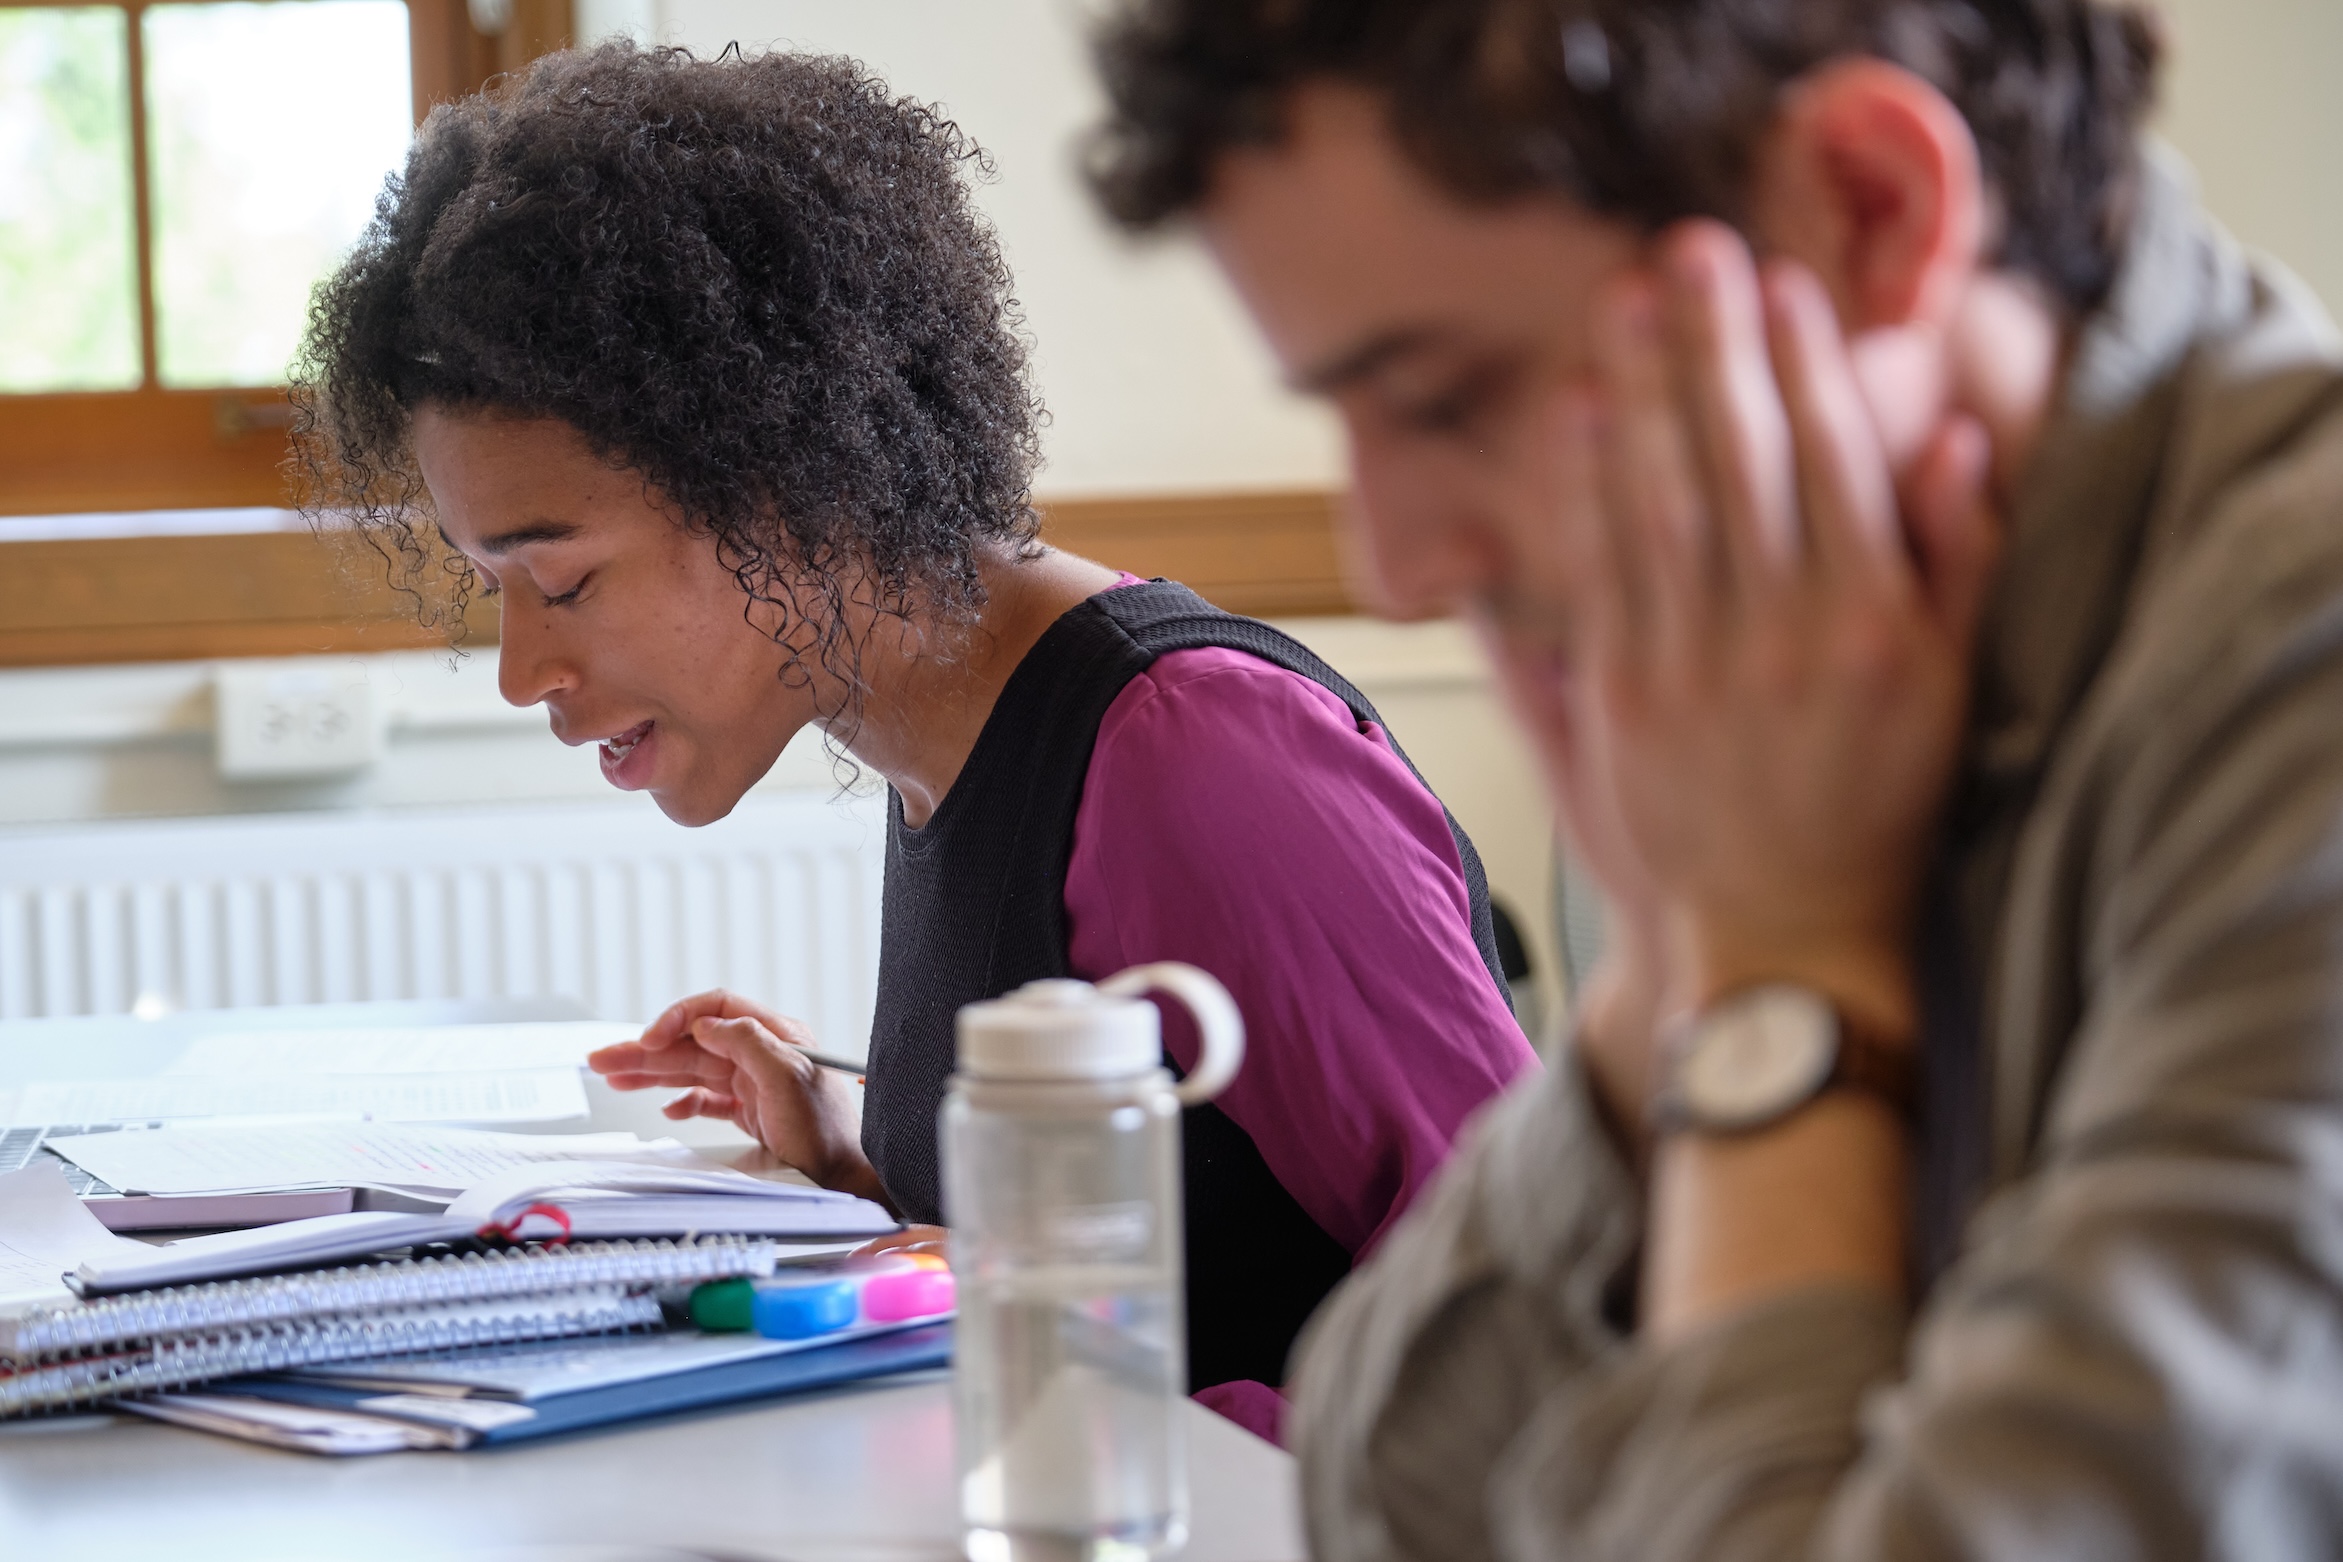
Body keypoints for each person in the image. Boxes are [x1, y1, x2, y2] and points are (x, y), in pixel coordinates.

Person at [1089, 0, 2343, 1554]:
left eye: (1446, 395)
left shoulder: (2298, 671)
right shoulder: (1795, 710)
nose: (1391, 565)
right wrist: (1675, 961)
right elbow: (1389, 1490)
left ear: (1870, 215)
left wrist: (1775, 979)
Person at [293, 41, 1535, 1416]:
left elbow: (1560, 1328)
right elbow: (1174, 1260)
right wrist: (850, 1170)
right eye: (496, 595)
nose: (525, 670)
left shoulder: (1193, 755)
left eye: (564, 580)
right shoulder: (945, 742)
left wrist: (1145, 1447)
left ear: (781, 477)